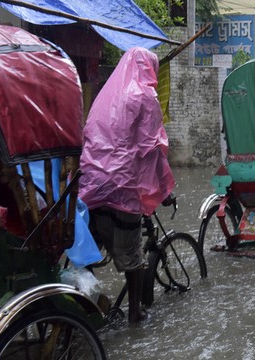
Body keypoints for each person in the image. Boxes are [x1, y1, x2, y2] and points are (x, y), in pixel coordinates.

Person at [79, 47, 175, 323]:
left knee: (88, 252)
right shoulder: (145, 95)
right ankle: (135, 312)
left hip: (90, 184)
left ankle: (88, 306)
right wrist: (165, 189)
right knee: (132, 257)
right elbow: (151, 147)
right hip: (122, 186)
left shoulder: (106, 95)